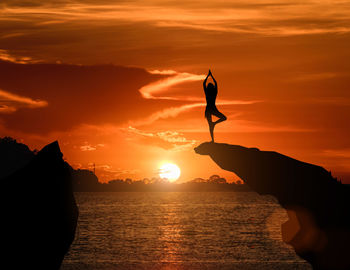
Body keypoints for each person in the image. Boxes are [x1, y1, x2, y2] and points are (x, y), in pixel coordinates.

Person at [203, 69, 227, 142]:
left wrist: (208, 76)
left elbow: (204, 83)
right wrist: (212, 76)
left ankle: (212, 138)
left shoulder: (207, 92)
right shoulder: (214, 92)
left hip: (209, 109)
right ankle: (213, 137)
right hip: (212, 109)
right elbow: (215, 83)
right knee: (223, 118)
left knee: (211, 125)